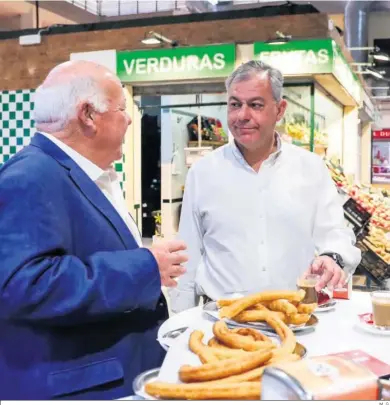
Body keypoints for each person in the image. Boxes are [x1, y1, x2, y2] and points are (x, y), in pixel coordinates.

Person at [0, 60, 187, 399]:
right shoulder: (29, 177)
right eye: (121, 109)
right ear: (88, 115)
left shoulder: (90, 175)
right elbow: (24, 287)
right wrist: (146, 267)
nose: (130, 119)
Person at [169, 60, 361, 313]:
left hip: (293, 318)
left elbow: (335, 232)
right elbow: (188, 257)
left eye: (255, 105)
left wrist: (332, 256)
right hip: (223, 323)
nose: (242, 116)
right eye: (235, 104)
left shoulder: (311, 169)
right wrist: (182, 324)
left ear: (280, 110)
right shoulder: (203, 174)